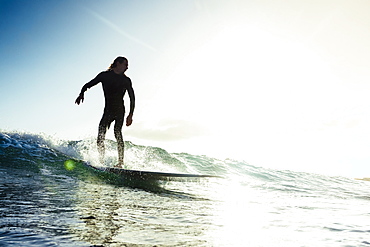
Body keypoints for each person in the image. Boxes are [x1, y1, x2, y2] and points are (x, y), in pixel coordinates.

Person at [75, 56, 135, 167]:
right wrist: (81, 93)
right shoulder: (104, 76)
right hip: (108, 110)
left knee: (118, 133)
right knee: (100, 135)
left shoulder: (126, 80)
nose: (127, 67)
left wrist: (130, 114)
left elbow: (132, 97)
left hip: (120, 110)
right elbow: (88, 84)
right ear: (118, 63)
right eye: (125, 64)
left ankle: (120, 163)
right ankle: (101, 161)